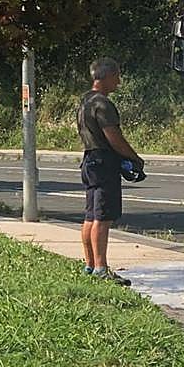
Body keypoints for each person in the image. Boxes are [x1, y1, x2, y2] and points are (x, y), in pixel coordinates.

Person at [77, 57, 144, 284]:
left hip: (89, 160)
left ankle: (89, 265)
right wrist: (133, 158)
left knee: (90, 215)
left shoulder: (85, 101)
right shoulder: (102, 104)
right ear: (105, 77)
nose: (119, 81)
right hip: (104, 162)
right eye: (116, 76)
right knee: (102, 218)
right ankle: (101, 268)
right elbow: (114, 137)